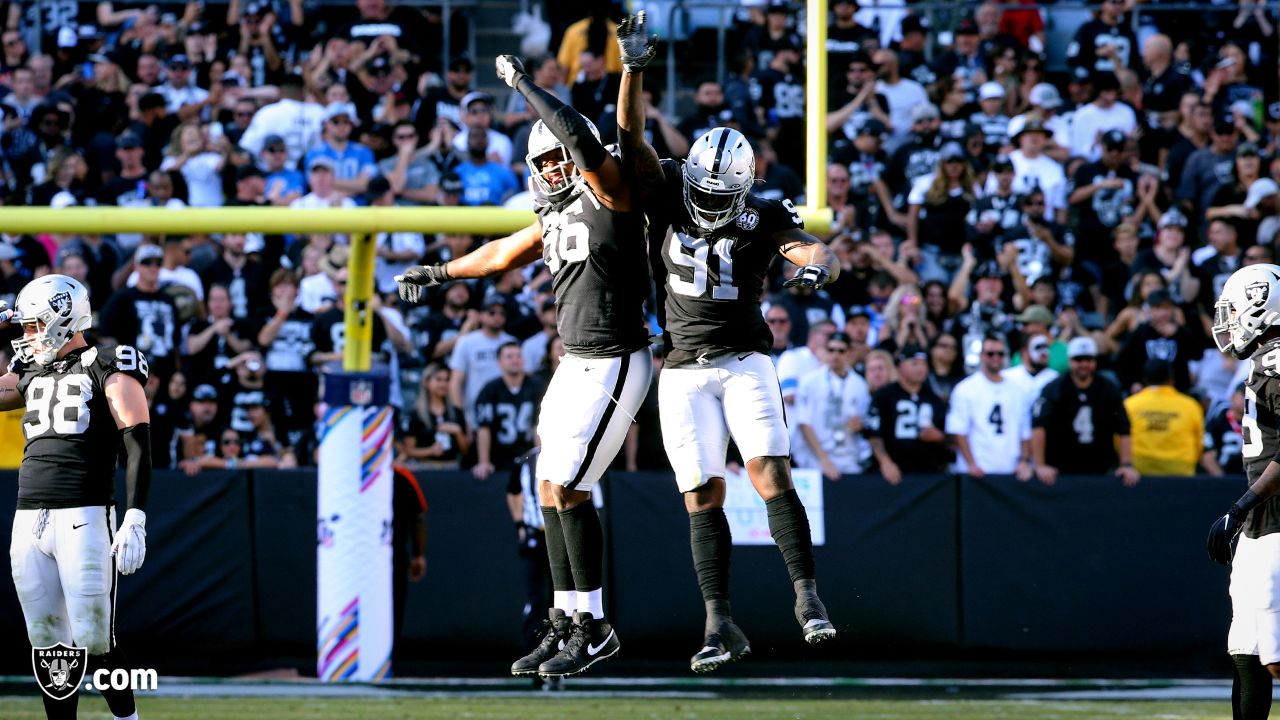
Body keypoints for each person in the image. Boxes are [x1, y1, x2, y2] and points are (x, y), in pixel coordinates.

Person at [396, 51, 652, 679]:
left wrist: (526, 87)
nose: (555, 166)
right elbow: (501, 253)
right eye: (543, 162)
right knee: (546, 484)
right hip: (574, 359)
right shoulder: (551, 212)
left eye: (560, 156)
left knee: (569, 485)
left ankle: (592, 626)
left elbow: (578, 141)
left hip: (617, 356)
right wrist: (439, 272)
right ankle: (565, 618)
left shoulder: (612, 194)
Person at [616, 12, 838, 673]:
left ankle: (808, 597)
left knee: (770, 473)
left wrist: (818, 265)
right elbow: (629, 139)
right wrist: (633, 70)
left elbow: (807, 245)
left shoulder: (764, 211)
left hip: (744, 358)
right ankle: (719, 622)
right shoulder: (667, 189)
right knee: (699, 494)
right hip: (682, 365)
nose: (711, 202)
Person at [0, 275, 150, 720]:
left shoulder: (107, 363)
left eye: (31, 326)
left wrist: (135, 515)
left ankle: (128, 718)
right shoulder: (29, 371)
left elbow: (138, 443)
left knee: (95, 639)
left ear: (62, 319)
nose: (25, 337)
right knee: (47, 642)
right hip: (29, 518)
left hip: (84, 514)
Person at [1205, 263, 1280, 719]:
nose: (1228, 321)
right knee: (1245, 649)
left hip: (1276, 521)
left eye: (1233, 310)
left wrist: (1242, 506)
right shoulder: (1261, 362)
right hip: (1259, 523)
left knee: (1274, 656)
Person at [1031, 336, 1139, 485]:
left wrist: (1126, 464)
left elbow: (1123, 428)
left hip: (1099, 469)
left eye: (1088, 359)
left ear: (1095, 361)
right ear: (1069, 360)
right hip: (1060, 471)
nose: (1083, 364)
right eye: (1078, 359)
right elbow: (1038, 426)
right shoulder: (1054, 389)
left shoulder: (1108, 389)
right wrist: (1040, 465)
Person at [945, 333, 1033, 480]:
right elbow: (958, 430)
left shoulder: (1018, 390)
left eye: (1000, 353)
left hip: (1011, 470)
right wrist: (971, 464)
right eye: (990, 353)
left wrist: (1024, 461)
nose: (996, 358)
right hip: (978, 472)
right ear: (982, 355)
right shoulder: (965, 388)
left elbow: (1025, 430)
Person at [865, 344, 951, 482]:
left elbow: (950, 434)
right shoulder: (884, 395)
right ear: (900, 366)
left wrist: (940, 436)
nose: (921, 368)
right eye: (914, 364)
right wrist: (885, 462)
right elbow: (873, 433)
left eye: (923, 364)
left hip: (927, 473)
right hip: (893, 472)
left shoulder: (933, 398)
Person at [795, 332, 871, 479]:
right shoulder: (809, 381)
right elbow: (804, 423)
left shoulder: (860, 384)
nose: (835, 355)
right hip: (814, 459)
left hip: (849, 458)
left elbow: (864, 420)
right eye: (831, 350)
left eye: (841, 351)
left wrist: (859, 424)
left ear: (849, 353)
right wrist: (823, 459)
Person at [473, 342, 544, 481]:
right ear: (499, 362)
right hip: (499, 457)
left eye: (518, 356)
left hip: (528, 454)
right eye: (509, 356)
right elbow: (484, 428)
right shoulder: (490, 389)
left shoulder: (536, 386)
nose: (515, 360)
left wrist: (541, 460)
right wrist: (484, 462)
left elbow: (539, 426)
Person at [1125, 359, 1203, 477]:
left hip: (1139, 472)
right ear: (1171, 379)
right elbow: (1199, 444)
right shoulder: (1190, 406)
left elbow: (1119, 440)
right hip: (1180, 472)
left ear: (1145, 379)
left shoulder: (1129, 404)